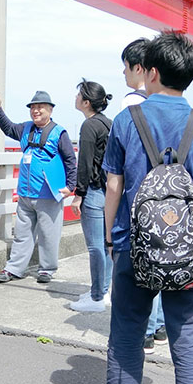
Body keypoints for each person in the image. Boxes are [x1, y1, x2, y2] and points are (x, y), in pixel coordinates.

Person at [100, 32, 193, 384]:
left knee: (126, 332)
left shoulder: (126, 120)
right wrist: (187, 234)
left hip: (131, 246)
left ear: (151, 72)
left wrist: (110, 236)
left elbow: (114, 186)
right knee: (189, 337)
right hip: (186, 253)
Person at [0, 88, 77, 284]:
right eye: (33, 108)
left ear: (50, 110)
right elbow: (8, 127)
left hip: (48, 194)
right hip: (25, 194)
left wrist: (71, 186)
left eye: (40, 108)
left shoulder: (58, 132)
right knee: (22, 234)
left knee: (49, 235)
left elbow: (71, 160)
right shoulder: (26, 129)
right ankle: (13, 269)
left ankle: (47, 269)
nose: (36, 111)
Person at [121, 38, 167, 353]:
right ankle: (161, 326)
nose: (123, 74)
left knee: (142, 268)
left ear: (141, 69)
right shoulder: (171, 107)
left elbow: (118, 171)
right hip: (167, 198)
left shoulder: (129, 105)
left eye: (125, 67)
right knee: (163, 263)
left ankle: (147, 333)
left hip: (139, 200)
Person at [69, 79, 113, 313]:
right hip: (109, 192)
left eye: (79, 96)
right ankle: (103, 290)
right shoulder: (108, 123)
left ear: (86, 102)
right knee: (106, 246)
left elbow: (84, 164)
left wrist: (79, 194)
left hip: (94, 192)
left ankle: (96, 297)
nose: (75, 98)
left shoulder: (88, 126)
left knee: (95, 247)